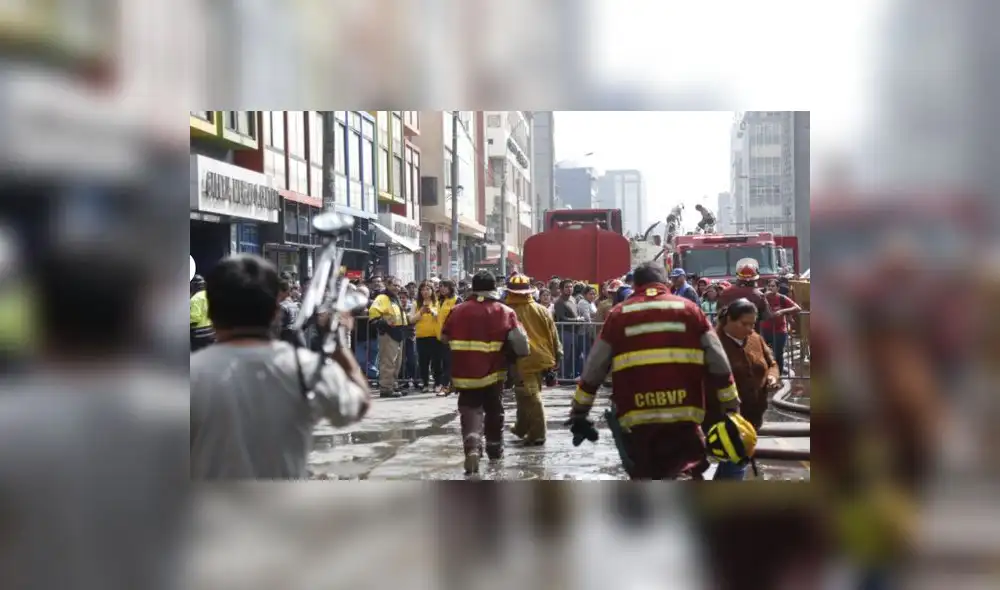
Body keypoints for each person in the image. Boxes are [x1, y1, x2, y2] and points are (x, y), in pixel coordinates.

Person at [190, 254, 370, 479]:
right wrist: (338, 342)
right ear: (276, 311)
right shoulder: (306, 369)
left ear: (211, 313)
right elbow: (359, 405)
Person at [567, 262, 742, 480]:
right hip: (684, 417)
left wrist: (580, 412)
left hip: (637, 420)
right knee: (685, 471)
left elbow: (594, 368)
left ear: (635, 285)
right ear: (666, 282)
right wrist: (731, 407)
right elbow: (719, 362)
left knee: (645, 475)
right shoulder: (690, 310)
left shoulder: (619, 315)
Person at [440, 271, 530, 475]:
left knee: (469, 409)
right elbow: (522, 346)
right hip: (494, 372)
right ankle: (494, 449)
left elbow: (444, 337)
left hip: (463, 373)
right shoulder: (505, 311)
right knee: (494, 410)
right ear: (493, 288)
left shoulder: (457, 310)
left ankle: (472, 448)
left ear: (473, 288)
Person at [708, 298, 781, 480]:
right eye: (744, 324)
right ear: (729, 320)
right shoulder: (713, 343)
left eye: (753, 324)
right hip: (726, 421)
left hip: (753, 417)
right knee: (736, 463)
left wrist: (772, 376)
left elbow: (772, 363)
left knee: (731, 465)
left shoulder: (755, 338)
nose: (749, 329)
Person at [504, 274, 562, 445]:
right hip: (542, 359)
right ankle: (521, 428)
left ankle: (537, 433)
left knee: (531, 396)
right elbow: (554, 336)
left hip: (522, 360)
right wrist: (558, 355)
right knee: (524, 395)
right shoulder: (542, 310)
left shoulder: (508, 312)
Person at [369, 276, 407, 398]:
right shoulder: (382, 297)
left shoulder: (395, 298)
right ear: (387, 285)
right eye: (394, 285)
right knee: (388, 362)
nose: (397, 288)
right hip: (388, 333)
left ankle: (393, 385)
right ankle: (386, 388)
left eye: (399, 286)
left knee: (396, 363)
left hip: (398, 333)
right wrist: (384, 323)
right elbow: (373, 314)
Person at [716, 258, 772, 331]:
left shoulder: (726, 292)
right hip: (750, 332)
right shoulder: (759, 295)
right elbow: (767, 316)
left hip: (728, 332)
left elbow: (719, 311)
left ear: (738, 277)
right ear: (754, 279)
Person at [760, 278, 802, 375]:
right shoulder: (762, 297)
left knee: (778, 354)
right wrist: (763, 297)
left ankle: (779, 374)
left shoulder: (782, 298)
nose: (770, 288)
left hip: (779, 331)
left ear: (778, 288)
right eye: (769, 286)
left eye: (773, 286)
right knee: (764, 353)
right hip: (764, 330)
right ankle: (767, 373)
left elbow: (797, 308)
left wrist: (782, 311)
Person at [411, 280, 442, 393]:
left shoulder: (437, 302)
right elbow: (411, 319)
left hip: (435, 336)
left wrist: (433, 312)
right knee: (423, 362)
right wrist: (421, 312)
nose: (425, 292)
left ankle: (438, 383)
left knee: (437, 361)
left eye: (428, 289)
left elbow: (441, 317)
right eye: (422, 289)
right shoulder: (416, 303)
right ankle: (425, 384)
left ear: (432, 290)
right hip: (421, 337)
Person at [553, 279, 583, 378]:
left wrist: (578, 319)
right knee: (565, 356)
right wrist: (576, 320)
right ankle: (562, 376)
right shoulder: (559, 302)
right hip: (564, 332)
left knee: (573, 356)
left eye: (571, 286)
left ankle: (569, 375)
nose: (569, 289)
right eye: (566, 287)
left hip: (575, 332)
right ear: (561, 289)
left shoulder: (573, 299)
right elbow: (561, 318)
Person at [436, 279, 460, 395]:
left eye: (445, 286)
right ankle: (451, 385)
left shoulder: (457, 300)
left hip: (452, 336)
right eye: (440, 286)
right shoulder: (441, 300)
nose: (442, 288)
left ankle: (445, 386)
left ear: (451, 287)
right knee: (444, 362)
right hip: (440, 336)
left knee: (449, 362)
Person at [397, 289, 419, 392]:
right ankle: (403, 381)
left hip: (411, 336)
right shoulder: (396, 308)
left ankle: (416, 380)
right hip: (399, 337)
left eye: (404, 298)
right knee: (401, 361)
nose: (402, 300)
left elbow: (412, 320)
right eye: (400, 298)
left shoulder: (411, 307)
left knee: (412, 360)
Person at [275, 277, 306, 347]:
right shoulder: (297, 305)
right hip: (298, 340)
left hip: (286, 341)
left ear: (282, 292)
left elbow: (277, 327)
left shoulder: (282, 306)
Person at [190, 274, 215, 351]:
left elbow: (195, 317)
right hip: (211, 330)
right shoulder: (210, 294)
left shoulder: (195, 298)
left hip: (199, 333)